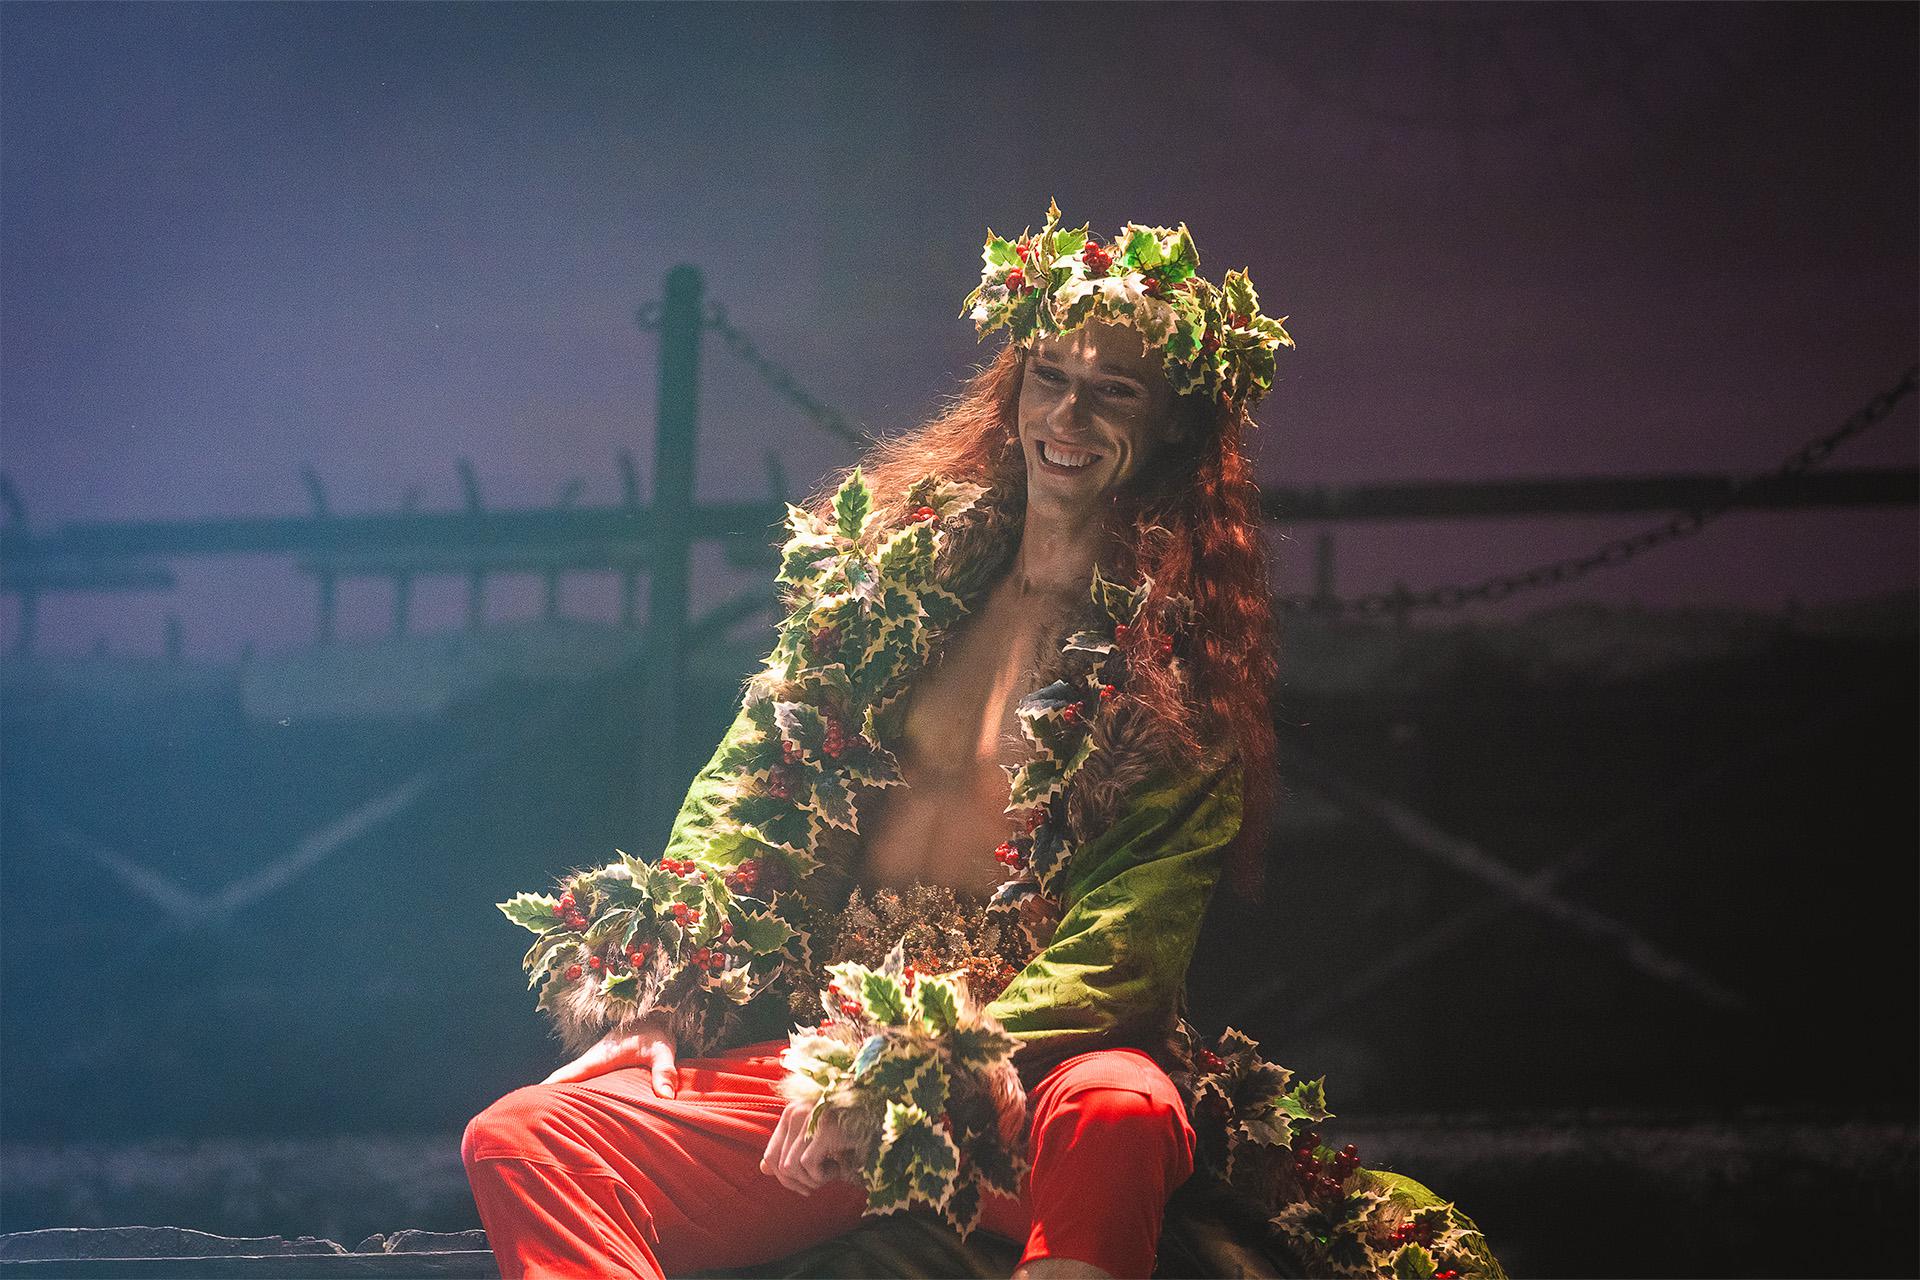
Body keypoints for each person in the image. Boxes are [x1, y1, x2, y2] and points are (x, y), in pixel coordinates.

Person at [462, 204, 1399, 1280]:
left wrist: (938, 1053)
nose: (1071, 412)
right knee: (526, 1134)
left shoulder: (1178, 681)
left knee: (1123, 1109)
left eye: (1117, 391)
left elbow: (1125, 948)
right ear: (1016, 390)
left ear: (1180, 425)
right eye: (1051, 375)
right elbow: (747, 794)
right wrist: (671, 996)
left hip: (1021, 1075)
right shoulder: (883, 596)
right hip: (825, 1071)